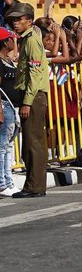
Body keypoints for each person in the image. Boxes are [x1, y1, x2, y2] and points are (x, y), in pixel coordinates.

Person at [7, 2, 49, 198]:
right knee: (31, 143)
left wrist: (27, 101)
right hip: (32, 96)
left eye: (18, 19)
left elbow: (35, 72)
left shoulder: (31, 40)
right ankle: (34, 185)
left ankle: (35, 186)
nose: (15, 23)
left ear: (29, 21)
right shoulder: (27, 39)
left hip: (33, 96)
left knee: (33, 143)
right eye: (13, 20)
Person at [0, 28, 20, 197]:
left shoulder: (9, 60)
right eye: (12, 39)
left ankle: (8, 180)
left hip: (12, 107)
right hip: (4, 106)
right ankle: (2, 183)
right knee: (2, 146)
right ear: (6, 42)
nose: (15, 43)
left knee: (8, 146)